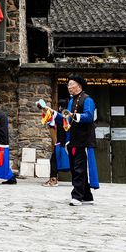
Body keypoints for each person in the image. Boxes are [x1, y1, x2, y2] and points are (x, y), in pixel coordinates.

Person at [53, 75, 99, 206]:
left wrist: (74, 115)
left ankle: (77, 196)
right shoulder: (70, 101)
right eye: (68, 84)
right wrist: (53, 113)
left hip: (83, 140)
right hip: (73, 140)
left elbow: (89, 116)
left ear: (79, 86)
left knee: (79, 169)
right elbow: (66, 119)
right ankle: (87, 195)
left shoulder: (88, 100)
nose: (68, 87)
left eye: (70, 84)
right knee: (76, 169)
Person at [42, 98, 70, 187]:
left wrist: (46, 108)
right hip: (67, 141)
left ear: (60, 107)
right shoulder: (69, 114)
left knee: (54, 160)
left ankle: (53, 180)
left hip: (61, 142)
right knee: (72, 160)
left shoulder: (63, 115)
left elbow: (55, 115)